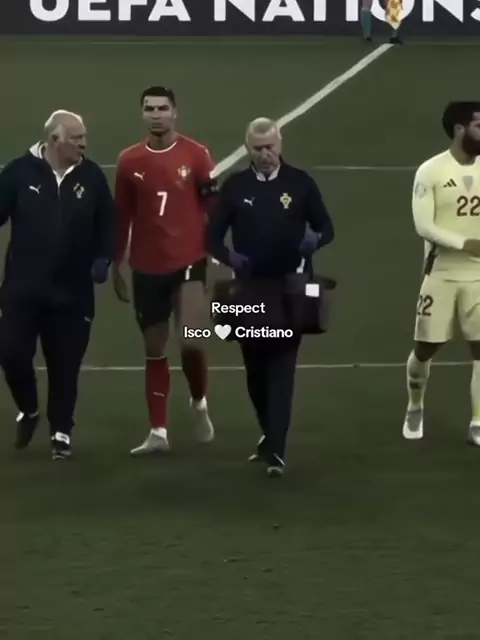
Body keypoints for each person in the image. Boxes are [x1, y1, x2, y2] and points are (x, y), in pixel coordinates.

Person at [207, 118, 334, 477]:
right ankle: (269, 432)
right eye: (258, 148)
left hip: (290, 288)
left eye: (270, 147)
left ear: (281, 143)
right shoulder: (235, 187)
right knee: (255, 371)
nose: (266, 154)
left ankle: (277, 449)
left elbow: (327, 227)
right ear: (248, 148)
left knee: (282, 367)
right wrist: (230, 258)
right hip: (249, 290)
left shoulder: (300, 183)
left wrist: (315, 240)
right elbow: (212, 238)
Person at [0, 110, 115, 459]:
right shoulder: (18, 173)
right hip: (22, 288)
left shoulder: (91, 176)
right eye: (76, 138)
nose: (84, 144)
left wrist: (103, 257)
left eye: (84, 137)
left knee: (65, 365)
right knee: (11, 353)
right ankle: (29, 408)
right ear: (54, 140)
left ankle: (61, 432)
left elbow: (107, 222)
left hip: (72, 292)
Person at [113, 86, 218, 456]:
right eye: (150, 109)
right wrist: (117, 263)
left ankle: (199, 401)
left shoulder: (196, 154)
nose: (156, 114)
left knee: (191, 339)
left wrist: (219, 248)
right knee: (154, 349)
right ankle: (158, 431)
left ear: (175, 112)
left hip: (189, 260)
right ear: (142, 114)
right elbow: (122, 215)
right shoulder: (129, 161)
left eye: (162, 108)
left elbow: (214, 204)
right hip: (146, 266)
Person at [403, 101, 480, 444]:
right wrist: (466, 244)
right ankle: (415, 405)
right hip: (442, 274)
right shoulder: (430, 171)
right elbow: (424, 226)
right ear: (460, 129)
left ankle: (477, 421)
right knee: (425, 348)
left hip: (479, 277)